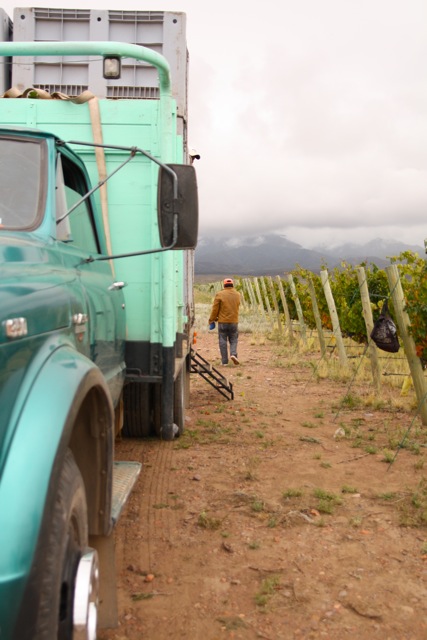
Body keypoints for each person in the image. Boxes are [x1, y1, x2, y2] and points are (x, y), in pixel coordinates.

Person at [209, 278, 241, 365]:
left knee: (222, 340)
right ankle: (233, 354)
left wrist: (211, 320)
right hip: (234, 321)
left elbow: (215, 309)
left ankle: (224, 361)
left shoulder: (220, 294)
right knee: (234, 339)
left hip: (222, 322)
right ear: (232, 285)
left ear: (224, 285)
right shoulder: (238, 294)